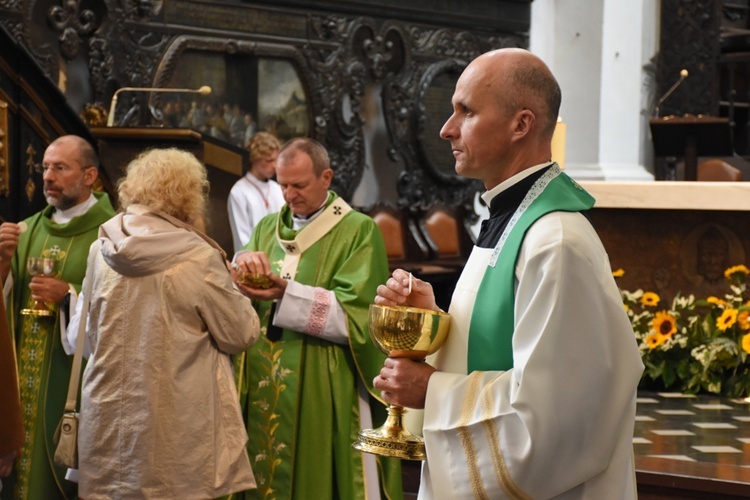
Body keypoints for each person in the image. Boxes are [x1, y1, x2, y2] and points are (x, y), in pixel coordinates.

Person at [373, 48, 644, 499]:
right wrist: (437, 327)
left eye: (467, 112)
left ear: (521, 125)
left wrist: (433, 392)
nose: (447, 129)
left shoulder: (554, 240)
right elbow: (501, 348)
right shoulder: (514, 219)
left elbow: (554, 416)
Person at [71, 148, 261, 498]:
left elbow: (90, 332)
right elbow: (241, 334)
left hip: (108, 414)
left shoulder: (102, 248)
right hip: (175, 423)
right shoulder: (198, 256)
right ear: (189, 195)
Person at [232, 138, 402, 499]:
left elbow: (360, 317)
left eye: (299, 185)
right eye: (282, 185)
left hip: (322, 380)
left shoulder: (358, 231)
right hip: (263, 369)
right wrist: (240, 272)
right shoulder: (265, 228)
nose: (289, 195)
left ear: (326, 177)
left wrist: (286, 294)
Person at [0, 135, 115, 500]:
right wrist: (1, 263)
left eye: (60, 168)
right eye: (45, 167)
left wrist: (69, 296)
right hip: (23, 383)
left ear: (90, 175)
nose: (48, 177)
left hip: (78, 386)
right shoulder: (26, 229)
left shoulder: (114, 235)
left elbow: (122, 313)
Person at [227, 132, 286, 254]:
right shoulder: (239, 191)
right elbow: (241, 238)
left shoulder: (277, 188)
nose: (274, 166)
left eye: (276, 160)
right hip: (253, 262)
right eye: (269, 160)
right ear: (255, 158)